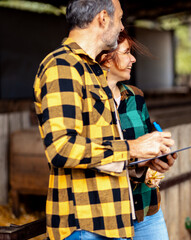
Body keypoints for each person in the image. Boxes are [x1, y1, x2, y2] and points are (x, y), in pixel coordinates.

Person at [33, 0, 175, 239]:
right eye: (119, 19)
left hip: (112, 217)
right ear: (103, 18)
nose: (121, 27)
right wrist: (133, 148)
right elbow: (61, 148)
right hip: (85, 224)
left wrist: (140, 161)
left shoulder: (93, 71)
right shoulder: (62, 66)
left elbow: (103, 151)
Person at [97, 31, 176, 240]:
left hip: (147, 208)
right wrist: (137, 161)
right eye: (126, 52)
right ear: (106, 59)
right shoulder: (91, 102)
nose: (133, 59)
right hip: (111, 212)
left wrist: (159, 156)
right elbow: (94, 155)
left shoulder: (136, 96)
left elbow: (149, 136)